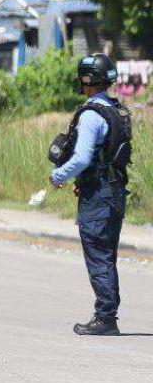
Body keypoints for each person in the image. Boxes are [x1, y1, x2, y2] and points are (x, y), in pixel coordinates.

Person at [51, 53, 132, 337]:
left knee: (99, 256)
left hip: (99, 196)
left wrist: (58, 175)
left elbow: (83, 157)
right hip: (115, 191)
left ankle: (106, 318)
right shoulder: (116, 110)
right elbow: (107, 156)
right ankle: (107, 314)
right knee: (106, 255)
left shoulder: (90, 115)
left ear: (86, 80)